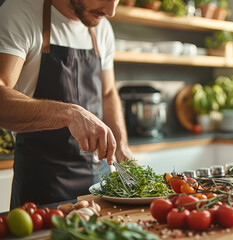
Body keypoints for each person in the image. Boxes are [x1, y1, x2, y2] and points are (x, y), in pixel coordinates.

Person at [0, 0, 133, 209]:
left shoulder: (101, 27)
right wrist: (70, 113)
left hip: (100, 185)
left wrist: (122, 145)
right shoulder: (21, 11)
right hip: (42, 189)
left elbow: (108, 93)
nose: (111, 11)